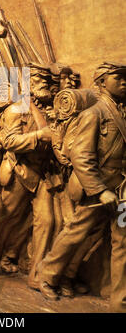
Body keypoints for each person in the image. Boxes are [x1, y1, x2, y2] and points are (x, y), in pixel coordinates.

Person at [38, 62, 126, 312]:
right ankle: (48, 276)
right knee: (76, 232)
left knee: (123, 242)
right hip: (98, 192)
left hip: (121, 193)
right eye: (117, 77)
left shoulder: (122, 113)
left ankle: (120, 304)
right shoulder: (94, 114)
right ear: (101, 82)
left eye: (125, 77)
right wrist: (99, 190)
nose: (123, 81)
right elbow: (81, 156)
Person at [0, 64, 54, 274]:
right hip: (19, 172)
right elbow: (9, 141)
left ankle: (13, 259)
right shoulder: (17, 109)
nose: (44, 83)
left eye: (47, 80)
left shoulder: (47, 110)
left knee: (37, 221)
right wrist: (37, 136)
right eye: (38, 79)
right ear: (27, 83)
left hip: (42, 174)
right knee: (4, 217)